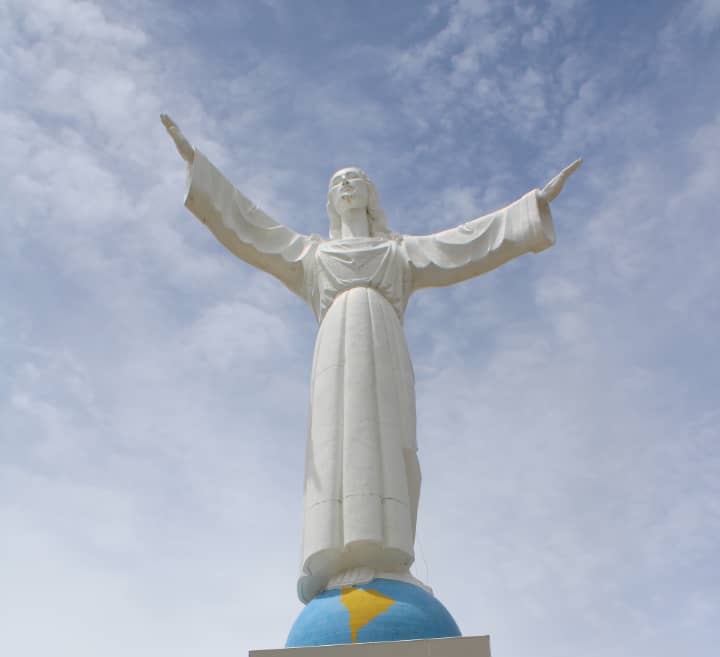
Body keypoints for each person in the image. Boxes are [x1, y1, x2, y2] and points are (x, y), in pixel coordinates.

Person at [161, 113, 581, 604]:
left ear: (370, 194)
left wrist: (531, 207)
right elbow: (252, 226)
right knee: (338, 445)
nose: (346, 186)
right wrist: (198, 166)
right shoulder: (310, 256)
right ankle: (341, 557)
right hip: (335, 350)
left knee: (391, 445)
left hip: (383, 348)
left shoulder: (398, 252)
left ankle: (388, 557)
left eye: (355, 180)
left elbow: (466, 244)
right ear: (329, 198)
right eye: (338, 181)